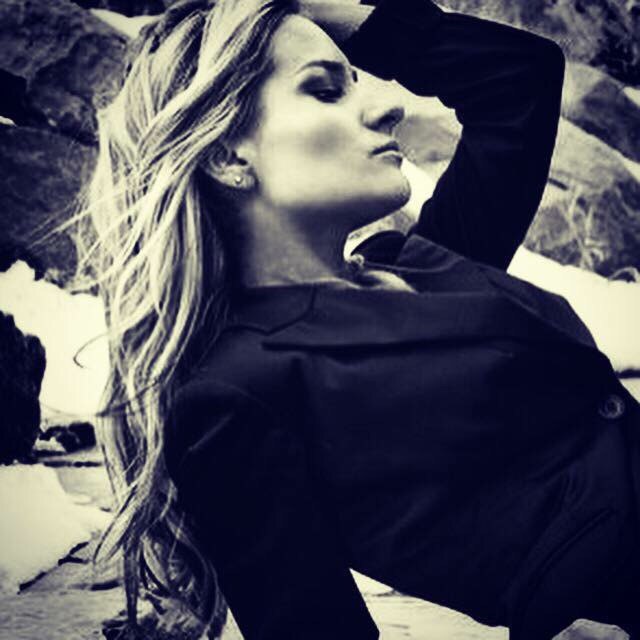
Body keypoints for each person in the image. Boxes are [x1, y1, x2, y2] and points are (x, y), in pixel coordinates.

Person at [81, 0, 640, 638]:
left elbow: (521, 79)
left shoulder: (422, 262)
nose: (387, 107)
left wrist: (324, 12)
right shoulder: (234, 396)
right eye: (325, 91)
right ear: (228, 156)